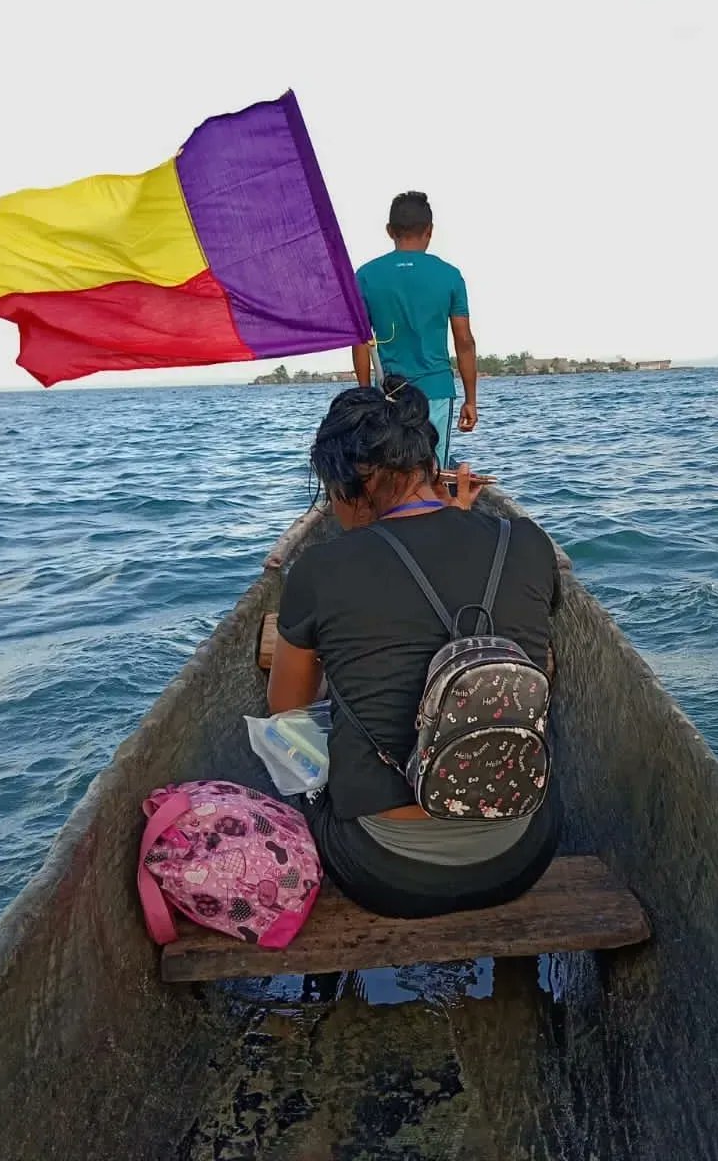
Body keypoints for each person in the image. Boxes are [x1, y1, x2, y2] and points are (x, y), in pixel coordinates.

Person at [267, 380, 560, 918]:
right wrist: (464, 522)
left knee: (296, 760)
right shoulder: (527, 542)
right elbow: (542, 669)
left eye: (332, 491)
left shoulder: (319, 568)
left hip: (384, 868)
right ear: (429, 464)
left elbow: (286, 714)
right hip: (521, 851)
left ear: (356, 481)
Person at [351, 191, 478, 468]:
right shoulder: (450, 275)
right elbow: (464, 341)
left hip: (388, 394)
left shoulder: (365, 276)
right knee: (433, 470)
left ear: (389, 231)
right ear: (430, 231)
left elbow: (361, 340)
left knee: (393, 469)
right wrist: (471, 400)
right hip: (436, 389)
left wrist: (364, 396)